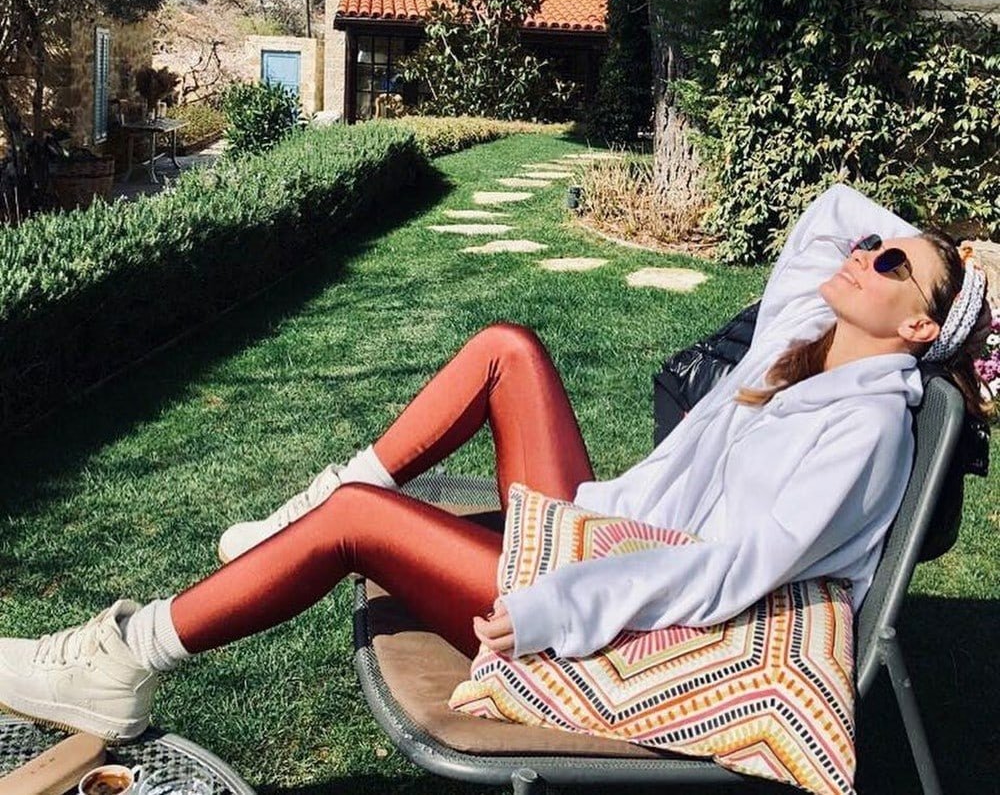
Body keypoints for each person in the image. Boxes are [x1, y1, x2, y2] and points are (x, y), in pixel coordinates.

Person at [0, 184, 991, 742]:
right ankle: (299, 524)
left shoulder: (863, 429)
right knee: (506, 347)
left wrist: (565, 605)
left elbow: (732, 569)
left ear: (916, 328)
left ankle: (123, 662)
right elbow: (827, 211)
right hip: (615, 534)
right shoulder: (808, 339)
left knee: (359, 522)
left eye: (891, 263)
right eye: (875, 243)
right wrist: (938, 251)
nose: (863, 251)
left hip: (625, 609)